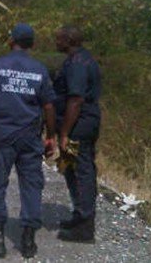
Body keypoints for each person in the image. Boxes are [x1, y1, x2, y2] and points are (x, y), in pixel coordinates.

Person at [0, 23, 56, 259]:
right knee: (31, 185)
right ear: (31, 44)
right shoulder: (40, 70)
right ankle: (28, 241)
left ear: (12, 41)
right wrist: (51, 137)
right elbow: (49, 106)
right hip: (30, 137)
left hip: (3, 135)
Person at [53, 25, 102, 243]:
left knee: (81, 171)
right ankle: (79, 214)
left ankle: (85, 226)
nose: (56, 41)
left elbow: (76, 100)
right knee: (70, 168)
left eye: (59, 38)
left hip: (78, 126)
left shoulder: (77, 64)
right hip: (78, 124)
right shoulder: (80, 59)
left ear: (68, 40)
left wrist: (64, 134)